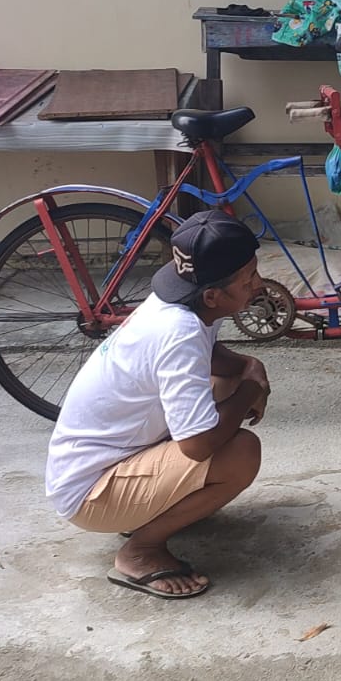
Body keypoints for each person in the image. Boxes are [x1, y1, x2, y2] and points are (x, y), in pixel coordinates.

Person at [45, 209, 270, 599]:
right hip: (89, 493)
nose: (259, 284)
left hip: (109, 461)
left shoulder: (184, 302)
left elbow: (208, 354)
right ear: (213, 295)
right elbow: (197, 445)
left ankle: (155, 509)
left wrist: (248, 366)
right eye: (248, 279)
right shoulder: (180, 331)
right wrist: (251, 389)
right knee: (241, 453)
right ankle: (140, 550)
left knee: (226, 382)